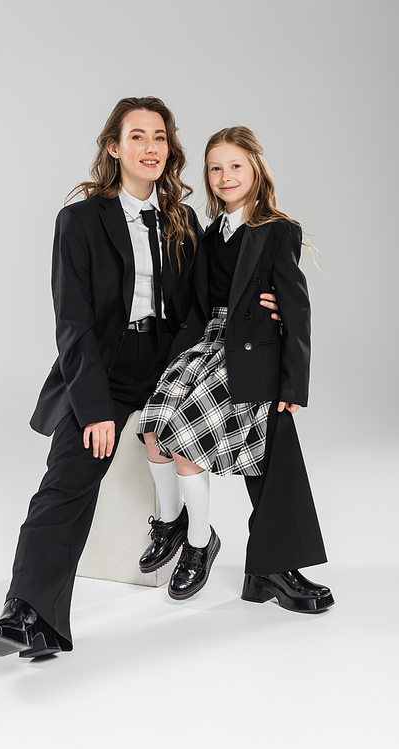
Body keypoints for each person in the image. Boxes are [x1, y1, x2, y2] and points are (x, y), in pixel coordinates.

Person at [0, 100, 280, 659]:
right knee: (70, 474)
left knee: (244, 429)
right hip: (103, 368)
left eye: (160, 137)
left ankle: (232, 551)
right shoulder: (81, 220)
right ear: (114, 148)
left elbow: (212, 296)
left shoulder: (181, 222)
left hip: (169, 359)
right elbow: (73, 322)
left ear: (169, 149)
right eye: (137, 136)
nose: (151, 147)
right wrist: (92, 408)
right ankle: (30, 615)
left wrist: (267, 308)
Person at [137, 126, 334, 613]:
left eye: (235, 166)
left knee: (191, 443)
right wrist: (169, 364)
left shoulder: (276, 230)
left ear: (256, 170)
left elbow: (297, 310)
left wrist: (293, 384)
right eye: (215, 168)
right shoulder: (209, 235)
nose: (225, 176)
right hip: (208, 345)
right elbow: (202, 306)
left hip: (250, 356)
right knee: (152, 429)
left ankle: (203, 547)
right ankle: (171, 523)